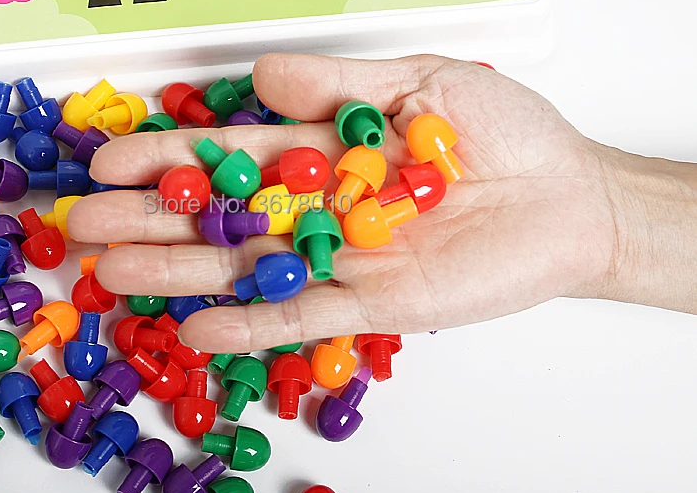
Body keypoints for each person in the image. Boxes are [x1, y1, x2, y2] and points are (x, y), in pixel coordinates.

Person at [67, 52, 697, 352]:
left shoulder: (390, 184)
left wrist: (604, 212)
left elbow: (373, 186)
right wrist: (609, 210)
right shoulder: (311, 194)